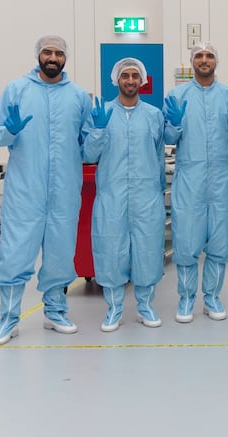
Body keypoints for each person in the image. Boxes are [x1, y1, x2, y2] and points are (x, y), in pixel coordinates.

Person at [0, 36, 92, 345]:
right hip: (25, 191)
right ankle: (8, 318)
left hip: (64, 190)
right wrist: (11, 131)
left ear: (65, 59)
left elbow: (87, 146)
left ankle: (55, 311)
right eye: (47, 52)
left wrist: (97, 134)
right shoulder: (16, 90)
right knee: (15, 254)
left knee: (61, 254)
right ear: (38, 56)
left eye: (59, 53)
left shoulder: (77, 97)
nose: (53, 57)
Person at [84, 58, 166, 331]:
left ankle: (145, 306)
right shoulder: (103, 113)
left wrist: (158, 189)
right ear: (116, 80)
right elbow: (89, 155)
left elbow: (158, 156)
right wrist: (96, 130)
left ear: (142, 81)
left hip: (146, 195)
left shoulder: (154, 115)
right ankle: (114, 308)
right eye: (125, 76)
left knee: (147, 249)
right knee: (111, 250)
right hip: (112, 195)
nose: (130, 80)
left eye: (134, 76)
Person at [163, 42, 228, 323]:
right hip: (189, 176)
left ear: (216, 62)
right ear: (191, 62)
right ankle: (185, 299)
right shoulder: (177, 95)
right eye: (198, 56)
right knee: (186, 241)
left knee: (220, 241)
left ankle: (212, 298)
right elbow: (168, 139)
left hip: (222, 176)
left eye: (209, 56)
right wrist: (173, 124)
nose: (204, 61)